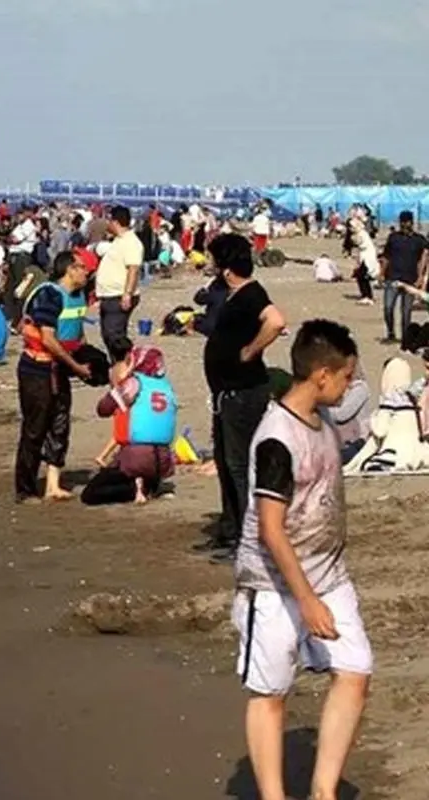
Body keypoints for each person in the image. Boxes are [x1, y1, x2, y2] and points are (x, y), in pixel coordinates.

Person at [232, 319, 369, 800]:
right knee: (270, 694)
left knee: (355, 672)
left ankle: (323, 791)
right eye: (348, 376)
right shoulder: (276, 438)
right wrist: (306, 602)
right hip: (271, 586)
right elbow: (271, 529)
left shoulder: (324, 419)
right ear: (322, 376)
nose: (351, 385)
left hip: (330, 575)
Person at [203, 233, 286, 562]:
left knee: (239, 466)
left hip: (243, 392)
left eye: (213, 260)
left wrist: (251, 350)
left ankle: (247, 539)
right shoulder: (232, 294)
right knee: (225, 463)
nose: (209, 265)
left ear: (225, 268)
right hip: (227, 392)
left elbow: (277, 321)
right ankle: (229, 529)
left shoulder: (251, 292)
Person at [15, 252, 92, 502]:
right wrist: (77, 368)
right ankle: (25, 489)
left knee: (60, 426)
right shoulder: (49, 294)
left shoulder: (79, 296)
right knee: (35, 428)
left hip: (59, 369)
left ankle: (53, 485)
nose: (87, 272)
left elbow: (78, 333)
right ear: (70, 269)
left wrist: (87, 359)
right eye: (83, 268)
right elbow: (48, 338)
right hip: (37, 369)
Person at [83, 338, 177, 506]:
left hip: (138, 457)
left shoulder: (134, 383)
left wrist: (120, 383)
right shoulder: (167, 387)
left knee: (91, 493)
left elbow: (103, 409)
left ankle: (135, 489)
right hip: (163, 459)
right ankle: (147, 486)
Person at [94, 205, 144, 352]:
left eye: (109, 220)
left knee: (114, 336)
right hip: (110, 295)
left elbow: (133, 269)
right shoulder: (119, 240)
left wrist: (127, 294)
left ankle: (125, 364)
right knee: (109, 335)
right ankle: (118, 365)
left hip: (118, 295)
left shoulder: (131, 242)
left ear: (115, 222)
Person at [380, 210, 428, 346]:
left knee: (406, 312)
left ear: (411, 222)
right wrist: (381, 273)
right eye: (402, 222)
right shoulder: (393, 237)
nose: (404, 225)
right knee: (388, 307)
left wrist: (420, 278)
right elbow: (386, 256)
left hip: (410, 279)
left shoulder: (419, 240)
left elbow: (423, 260)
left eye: (406, 222)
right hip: (392, 277)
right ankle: (390, 332)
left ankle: (405, 337)